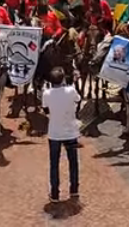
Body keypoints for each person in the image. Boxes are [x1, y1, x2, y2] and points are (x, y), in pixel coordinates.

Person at [42, 66, 80, 204]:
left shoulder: (46, 93)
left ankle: (55, 193)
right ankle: (74, 189)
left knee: (54, 164)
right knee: (73, 162)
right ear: (63, 78)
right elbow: (78, 99)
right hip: (71, 132)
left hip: (54, 133)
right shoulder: (71, 90)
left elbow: (46, 111)